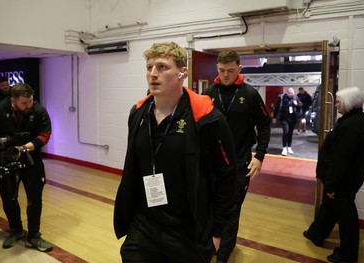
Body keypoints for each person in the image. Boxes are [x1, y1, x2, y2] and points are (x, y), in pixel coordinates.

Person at [113, 42, 238, 263]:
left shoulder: (208, 118)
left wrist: (218, 233)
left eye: (162, 67)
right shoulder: (138, 113)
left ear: (183, 73)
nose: (153, 73)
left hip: (187, 229)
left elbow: (228, 176)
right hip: (144, 224)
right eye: (149, 67)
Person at [202, 50, 271, 263]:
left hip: (239, 163)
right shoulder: (209, 93)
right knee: (210, 205)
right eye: (222, 70)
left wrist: (259, 156)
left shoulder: (249, 94)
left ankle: (224, 253)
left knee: (232, 209)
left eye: (231, 71)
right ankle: (209, 245)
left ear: (239, 69)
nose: (225, 75)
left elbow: (265, 125)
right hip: (211, 163)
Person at [0, 83, 53, 252]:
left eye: (30, 101)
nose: (29, 106)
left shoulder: (39, 110)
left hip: (31, 162)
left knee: (34, 200)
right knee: (9, 199)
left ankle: (34, 236)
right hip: (6, 162)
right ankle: (16, 231)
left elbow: (45, 135)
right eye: (24, 103)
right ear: (13, 101)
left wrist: (22, 149)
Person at [303, 87, 364, 263]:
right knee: (329, 207)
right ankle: (316, 234)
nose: (336, 105)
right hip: (342, 179)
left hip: (342, 182)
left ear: (349, 102)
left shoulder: (351, 126)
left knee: (346, 216)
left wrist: (331, 184)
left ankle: (347, 254)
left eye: (339, 102)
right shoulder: (351, 121)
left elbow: (340, 159)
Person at [273, 88, 302, 156]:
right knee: (286, 132)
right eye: (291, 93)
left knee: (290, 133)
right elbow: (276, 107)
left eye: (293, 93)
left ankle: (289, 147)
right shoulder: (282, 98)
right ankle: (284, 148)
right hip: (284, 118)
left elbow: (300, 106)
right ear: (287, 93)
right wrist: (274, 117)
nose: (292, 94)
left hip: (293, 119)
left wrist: (296, 105)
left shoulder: (296, 97)